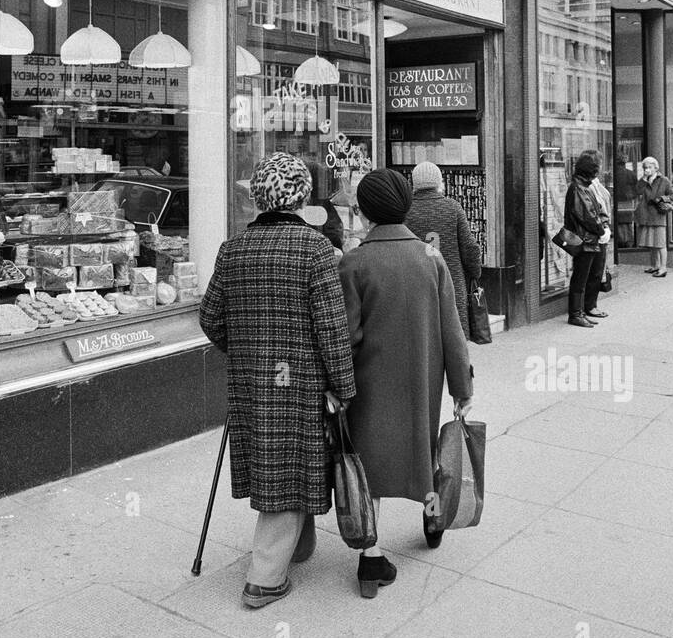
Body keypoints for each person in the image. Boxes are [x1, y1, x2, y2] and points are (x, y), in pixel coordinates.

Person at [199, 152, 357, 610]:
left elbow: (211, 318)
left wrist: (247, 350)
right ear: (302, 197)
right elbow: (332, 329)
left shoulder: (233, 249)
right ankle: (264, 578)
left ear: (258, 198)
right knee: (290, 462)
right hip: (300, 378)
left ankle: (300, 546)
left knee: (280, 462)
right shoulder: (314, 250)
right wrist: (343, 387)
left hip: (252, 379)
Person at [338, 168, 474, 593]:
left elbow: (346, 334)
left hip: (369, 385)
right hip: (422, 379)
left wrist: (336, 389)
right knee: (426, 448)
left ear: (364, 214)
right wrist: (462, 389)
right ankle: (432, 518)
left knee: (369, 466)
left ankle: (370, 556)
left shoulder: (354, 262)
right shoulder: (430, 261)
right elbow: (451, 330)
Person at [404, 161, 482, 339]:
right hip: (452, 284)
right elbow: (470, 248)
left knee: (424, 340)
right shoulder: (453, 208)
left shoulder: (406, 211)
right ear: (439, 182)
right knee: (455, 340)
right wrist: (475, 273)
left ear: (414, 184)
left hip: (417, 286)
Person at [563, 153, 611, 326]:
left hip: (586, 238)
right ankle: (576, 314)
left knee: (583, 277)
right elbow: (588, 216)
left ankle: (580, 312)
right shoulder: (579, 188)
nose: (598, 172)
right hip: (585, 239)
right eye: (596, 169)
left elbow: (591, 212)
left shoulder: (581, 186)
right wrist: (601, 230)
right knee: (580, 278)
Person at [582, 149, 612, 313]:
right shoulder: (587, 186)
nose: (601, 167)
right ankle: (589, 306)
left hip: (601, 231)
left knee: (597, 270)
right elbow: (593, 210)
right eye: (598, 164)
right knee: (593, 272)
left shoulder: (596, 183)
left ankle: (590, 304)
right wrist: (602, 229)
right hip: (594, 233)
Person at [635, 156, 673, 277]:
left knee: (660, 244)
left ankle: (663, 268)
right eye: (645, 167)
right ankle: (655, 266)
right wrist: (643, 179)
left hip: (658, 215)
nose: (647, 169)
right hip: (646, 215)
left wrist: (661, 199)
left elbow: (672, 196)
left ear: (655, 167)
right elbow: (637, 191)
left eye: (649, 167)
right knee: (651, 244)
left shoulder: (664, 180)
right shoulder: (644, 180)